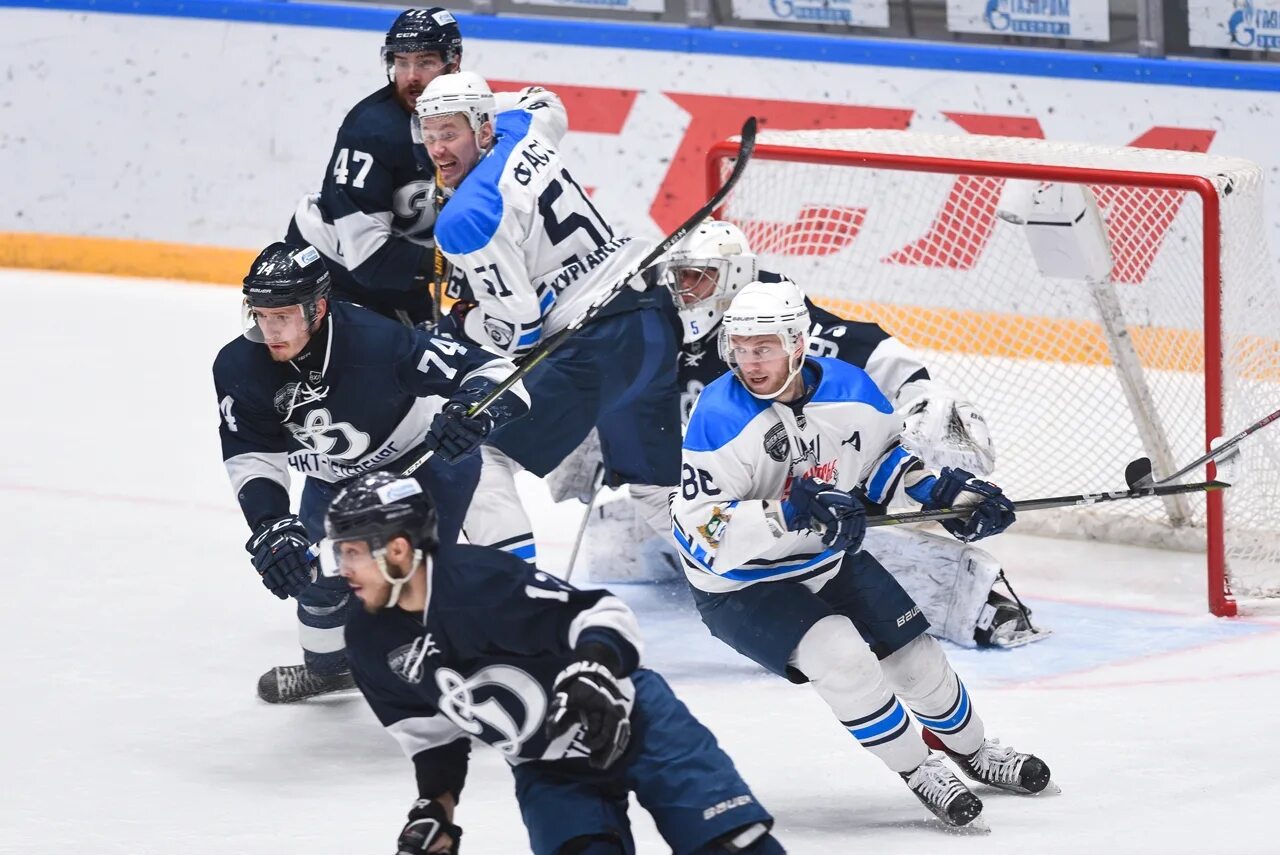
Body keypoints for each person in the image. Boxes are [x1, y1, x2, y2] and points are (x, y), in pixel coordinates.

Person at [670, 279, 1054, 829]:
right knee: (842, 656)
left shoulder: (851, 390)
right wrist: (786, 513)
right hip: (739, 584)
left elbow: (882, 465)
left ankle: (976, 752)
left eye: (765, 348)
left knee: (918, 662)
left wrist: (946, 495)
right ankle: (920, 770)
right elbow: (705, 529)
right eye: (742, 349)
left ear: (798, 343)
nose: (750, 362)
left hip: (826, 558)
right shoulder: (719, 417)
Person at [574, 219, 1045, 648]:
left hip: (797, 463)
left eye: (701, 277)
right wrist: (594, 433)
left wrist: (920, 393)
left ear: (736, 275)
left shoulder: (769, 316)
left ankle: (950, 597)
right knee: (673, 498)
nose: (688, 290)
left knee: (831, 512)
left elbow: (859, 343)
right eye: (681, 277)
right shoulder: (661, 316)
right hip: (715, 475)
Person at [327, 471, 784, 855]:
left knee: (735, 845)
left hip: (636, 721)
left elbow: (601, 613)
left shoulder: (479, 583)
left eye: (351, 551)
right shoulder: (370, 638)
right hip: (546, 766)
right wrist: (435, 809)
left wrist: (594, 668)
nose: (341, 568)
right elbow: (430, 737)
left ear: (399, 549)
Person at [212, 240, 529, 703]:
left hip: (421, 468)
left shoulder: (377, 342)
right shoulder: (239, 364)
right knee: (310, 578)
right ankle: (329, 671)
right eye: (260, 314)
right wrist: (271, 525)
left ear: (318, 308)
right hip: (335, 478)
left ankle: (475, 666)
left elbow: (497, 372)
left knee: (403, 577)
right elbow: (251, 451)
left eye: (283, 315)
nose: (270, 329)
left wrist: (474, 412)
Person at [414, 71, 681, 566]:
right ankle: (750, 571)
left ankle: (516, 598)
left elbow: (519, 330)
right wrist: (474, 105)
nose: (438, 149)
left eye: (449, 132)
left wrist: (460, 329)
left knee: (473, 451)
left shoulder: (467, 215)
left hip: (593, 347)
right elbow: (548, 100)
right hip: (651, 324)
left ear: (482, 128)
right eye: (428, 134)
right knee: (656, 489)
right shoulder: (523, 128)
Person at [287, 8, 464, 325]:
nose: (411, 76)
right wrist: (463, 269)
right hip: (333, 275)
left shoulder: (470, 116)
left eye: (425, 62)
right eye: (401, 62)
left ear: (454, 63)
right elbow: (369, 259)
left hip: (398, 269)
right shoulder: (371, 132)